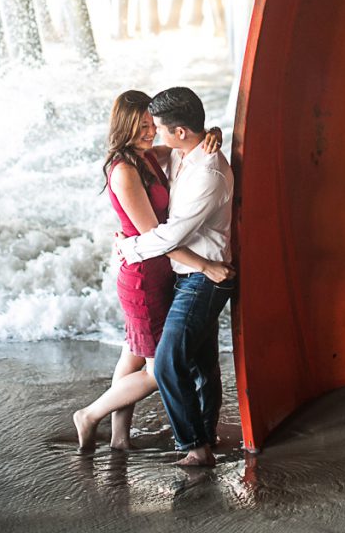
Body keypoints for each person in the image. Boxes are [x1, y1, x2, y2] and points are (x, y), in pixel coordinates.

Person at [73, 90, 229, 452]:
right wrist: (207, 266)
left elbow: (183, 147)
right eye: (143, 127)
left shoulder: (148, 157)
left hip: (160, 271)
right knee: (159, 368)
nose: (150, 133)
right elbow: (158, 238)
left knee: (132, 355)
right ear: (125, 127)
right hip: (144, 275)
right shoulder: (125, 171)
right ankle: (89, 415)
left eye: (153, 125)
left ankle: (119, 438)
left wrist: (211, 132)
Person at [116, 86, 235, 468]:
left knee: (167, 362)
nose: (154, 137)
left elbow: (171, 234)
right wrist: (210, 131)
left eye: (159, 128)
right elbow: (148, 164)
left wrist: (128, 248)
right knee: (202, 361)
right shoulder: (182, 155)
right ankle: (206, 433)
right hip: (188, 273)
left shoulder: (208, 173)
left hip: (204, 276)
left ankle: (195, 448)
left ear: (180, 132)